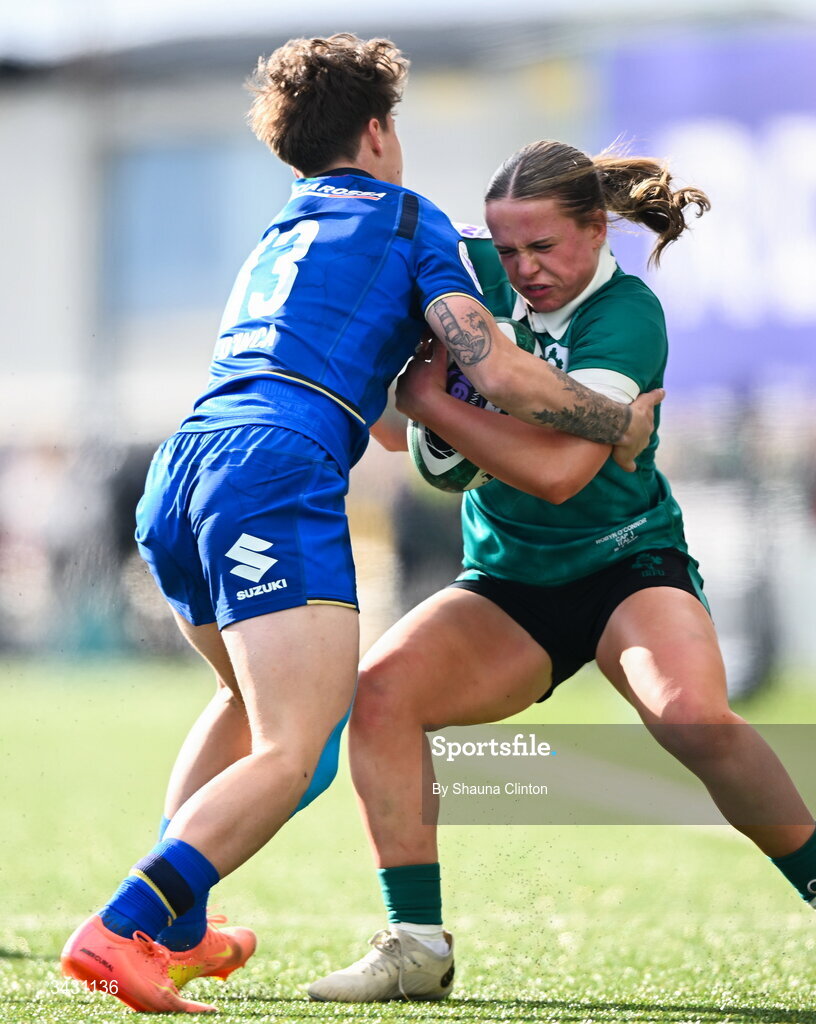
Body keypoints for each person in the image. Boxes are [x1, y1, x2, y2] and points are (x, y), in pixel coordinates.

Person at [58, 40, 662, 1014]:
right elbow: (496, 370)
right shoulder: (409, 220)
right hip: (272, 471)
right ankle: (125, 923)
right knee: (298, 744)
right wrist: (611, 420)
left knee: (246, 707)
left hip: (183, 466)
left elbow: (384, 419)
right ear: (378, 130)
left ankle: (174, 928)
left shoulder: (279, 231)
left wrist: (423, 399)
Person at [307, 139, 816, 1003]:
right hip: (509, 583)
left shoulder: (629, 313)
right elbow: (401, 437)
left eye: (545, 247)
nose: (524, 269)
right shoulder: (465, 273)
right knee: (377, 695)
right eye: (509, 248)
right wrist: (418, 408)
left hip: (628, 564)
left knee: (691, 718)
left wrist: (437, 407)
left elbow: (561, 473)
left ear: (597, 230)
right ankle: (416, 944)